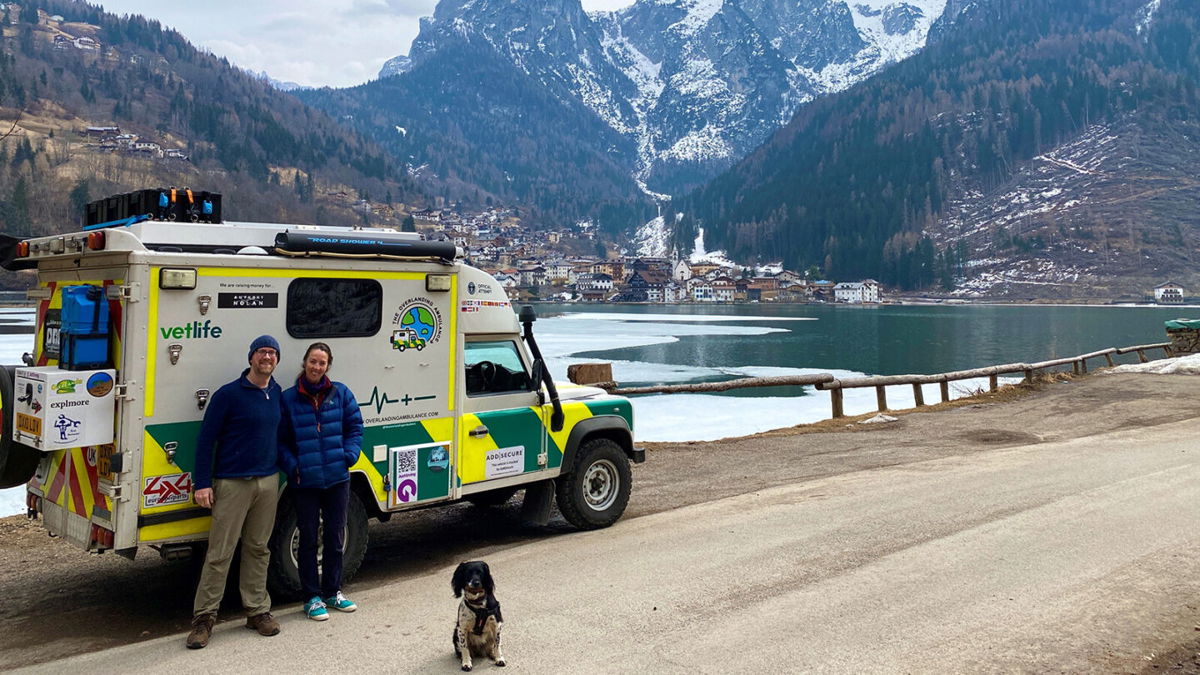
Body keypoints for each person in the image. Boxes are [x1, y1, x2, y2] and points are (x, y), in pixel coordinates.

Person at [186, 335, 284, 649]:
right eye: (261, 352)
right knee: (220, 553)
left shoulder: (276, 392)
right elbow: (205, 440)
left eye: (271, 353)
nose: (266, 357)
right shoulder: (228, 394)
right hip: (232, 483)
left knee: (258, 548)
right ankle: (203, 619)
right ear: (251, 358)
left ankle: (257, 611)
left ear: (277, 360)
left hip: (267, 482)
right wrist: (202, 483)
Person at [277, 342, 364, 621]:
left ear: (328, 366)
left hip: (338, 479)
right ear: (304, 363)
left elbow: (355, 427)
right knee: (308, 540)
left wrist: (349, 455)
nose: (317, 367)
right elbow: (280, 441)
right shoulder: (288, 398)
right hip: (305, 482)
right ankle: (311, 597)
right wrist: (294, 467)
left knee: (335, 538)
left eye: (322, 362)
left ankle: (333, 592)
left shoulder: (341, 394)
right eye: (313, 361)